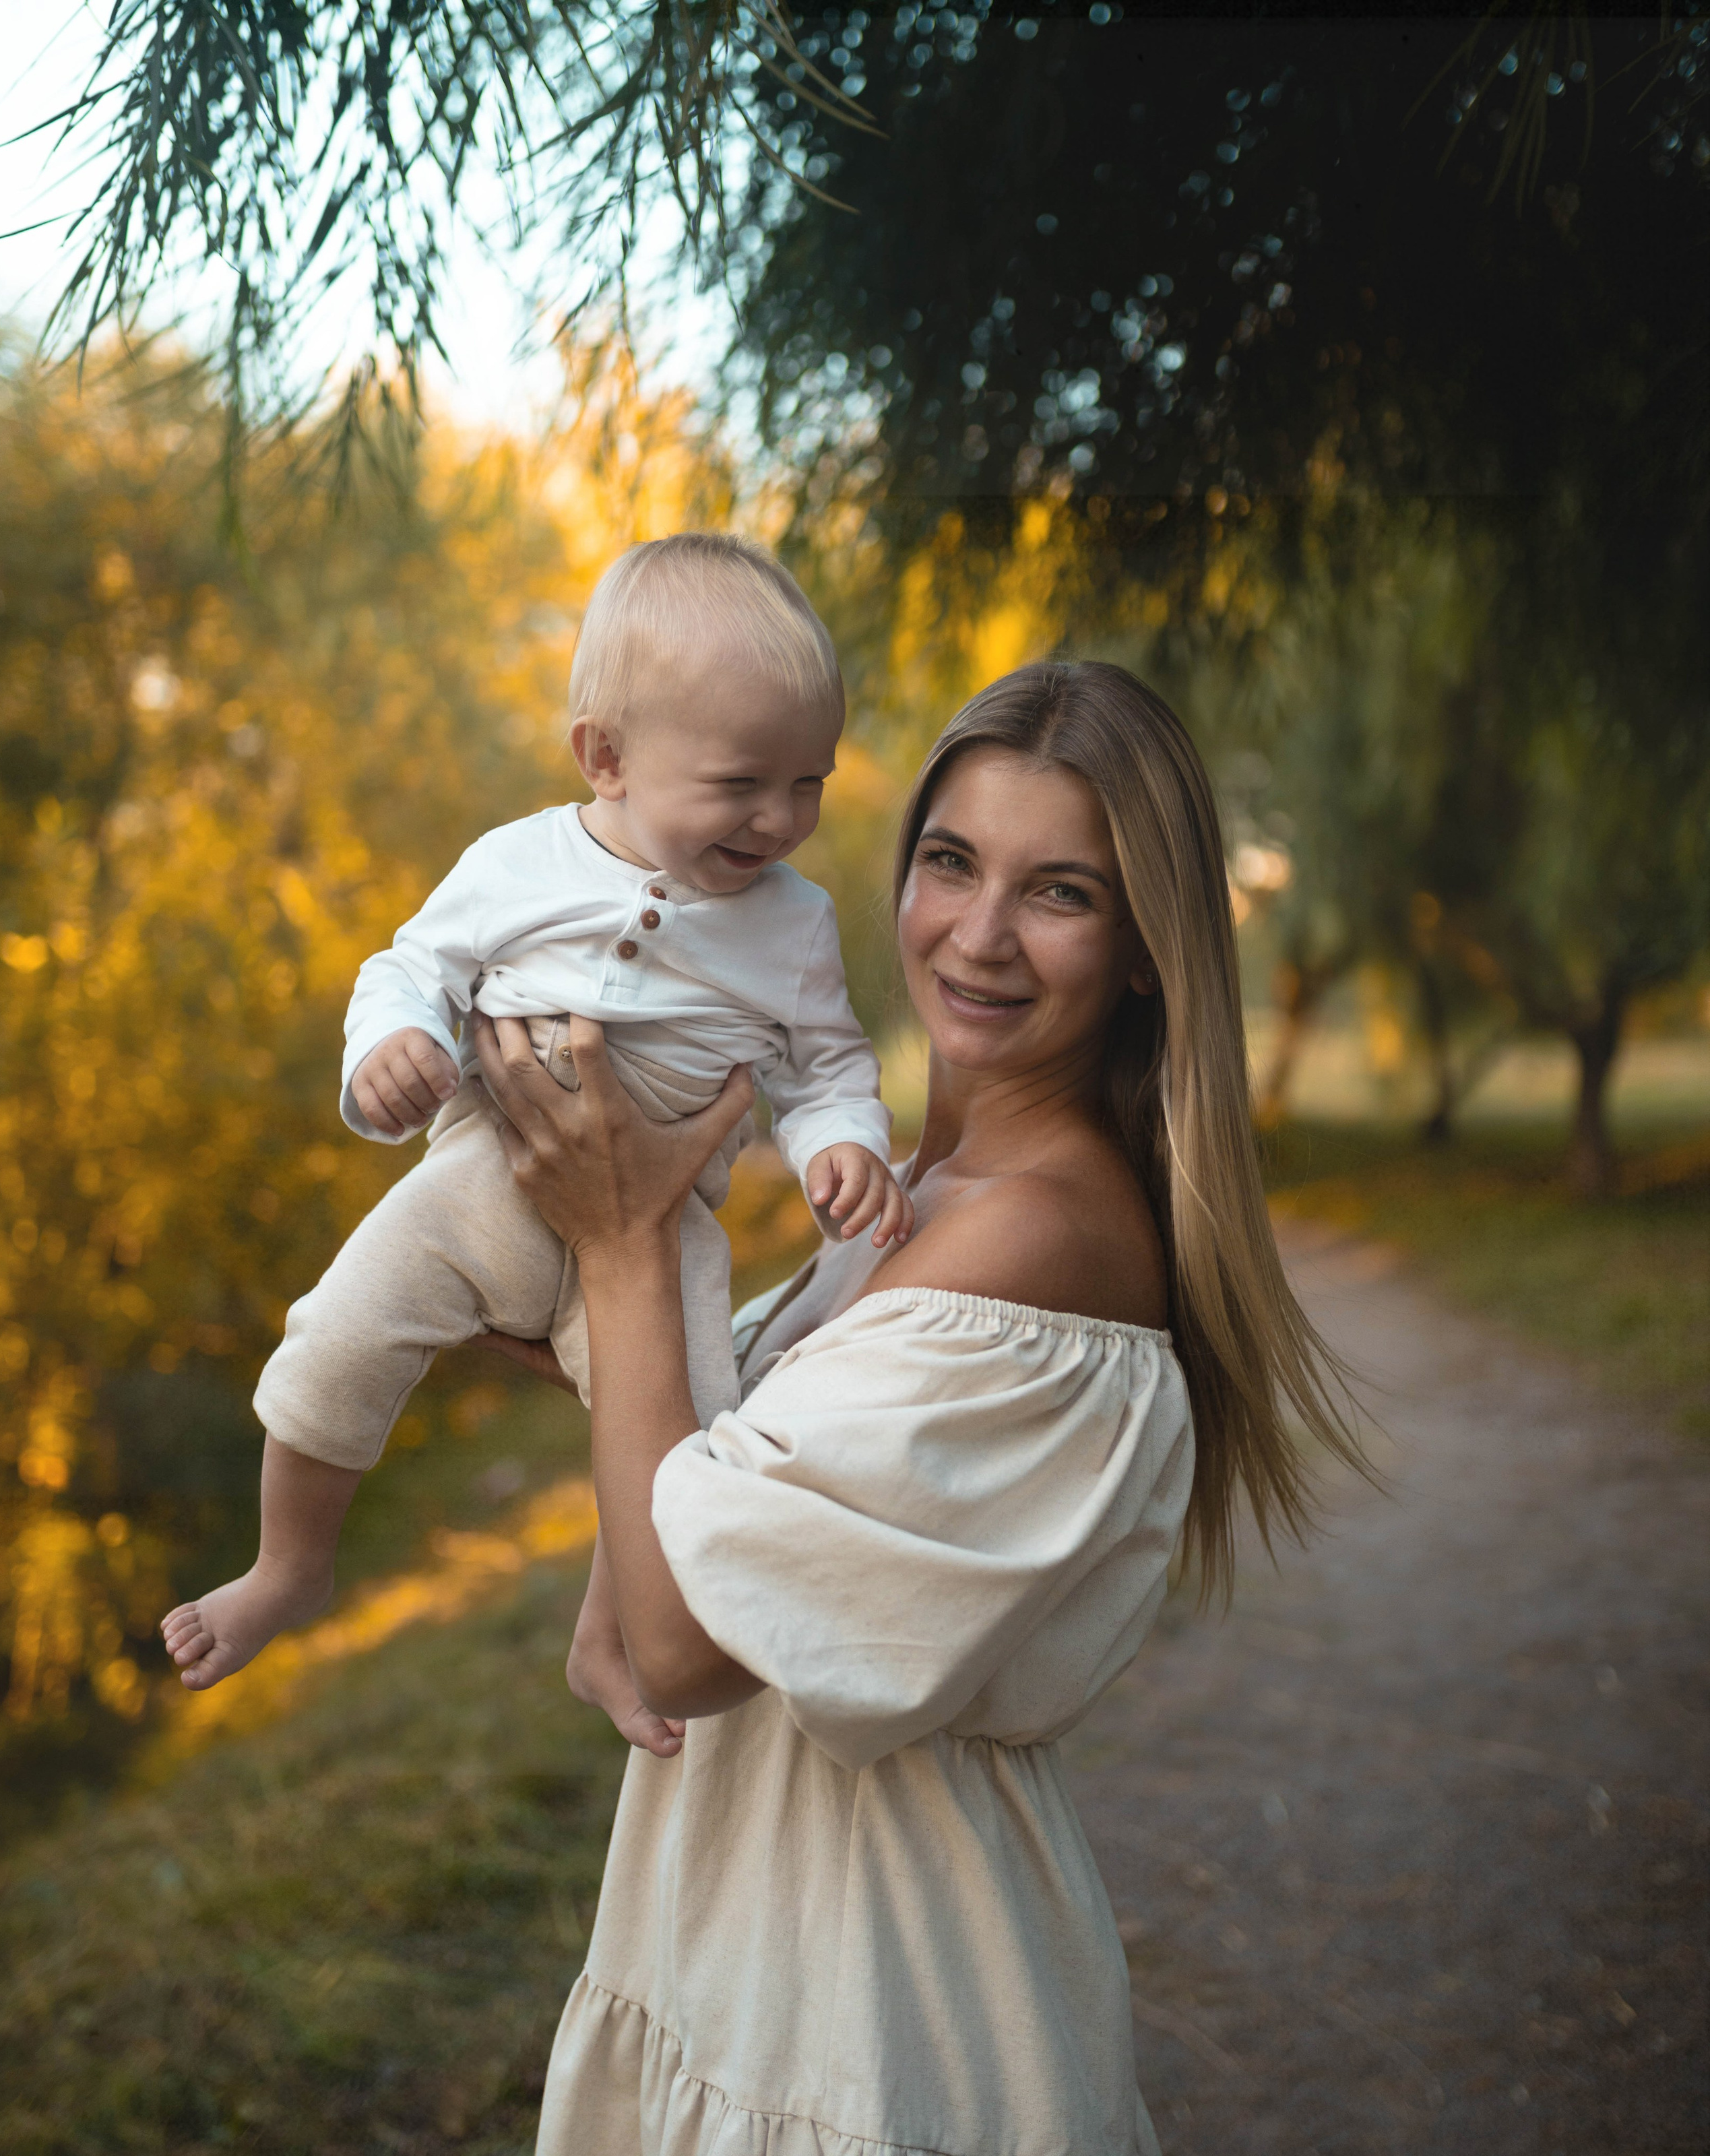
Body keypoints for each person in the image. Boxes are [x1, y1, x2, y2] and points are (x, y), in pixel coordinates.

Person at [470, 659, 1364, 2155]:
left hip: (875, 2006)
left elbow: (691, 1644)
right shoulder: (915, 1202)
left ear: (1146, 948)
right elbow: (708, 1481)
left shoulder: (1040, 1234)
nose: (978, 934)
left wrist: (627, 1251)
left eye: (1059, 892)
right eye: (949, 862)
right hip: (741, 1944)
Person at [160, 534, 911, 1693]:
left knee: (686, 1446)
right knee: (338, 1333)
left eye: (808, 781)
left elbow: (824, 1068)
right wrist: (392, 1051)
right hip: (483, 1184)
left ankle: (611, 1637)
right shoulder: (515, 867)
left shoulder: (796, 925)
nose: (780, 819)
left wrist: (845, 1148)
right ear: (606, 757)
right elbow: (410, 970)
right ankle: (289, 1568)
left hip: (668, 1232)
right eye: (741, 784)